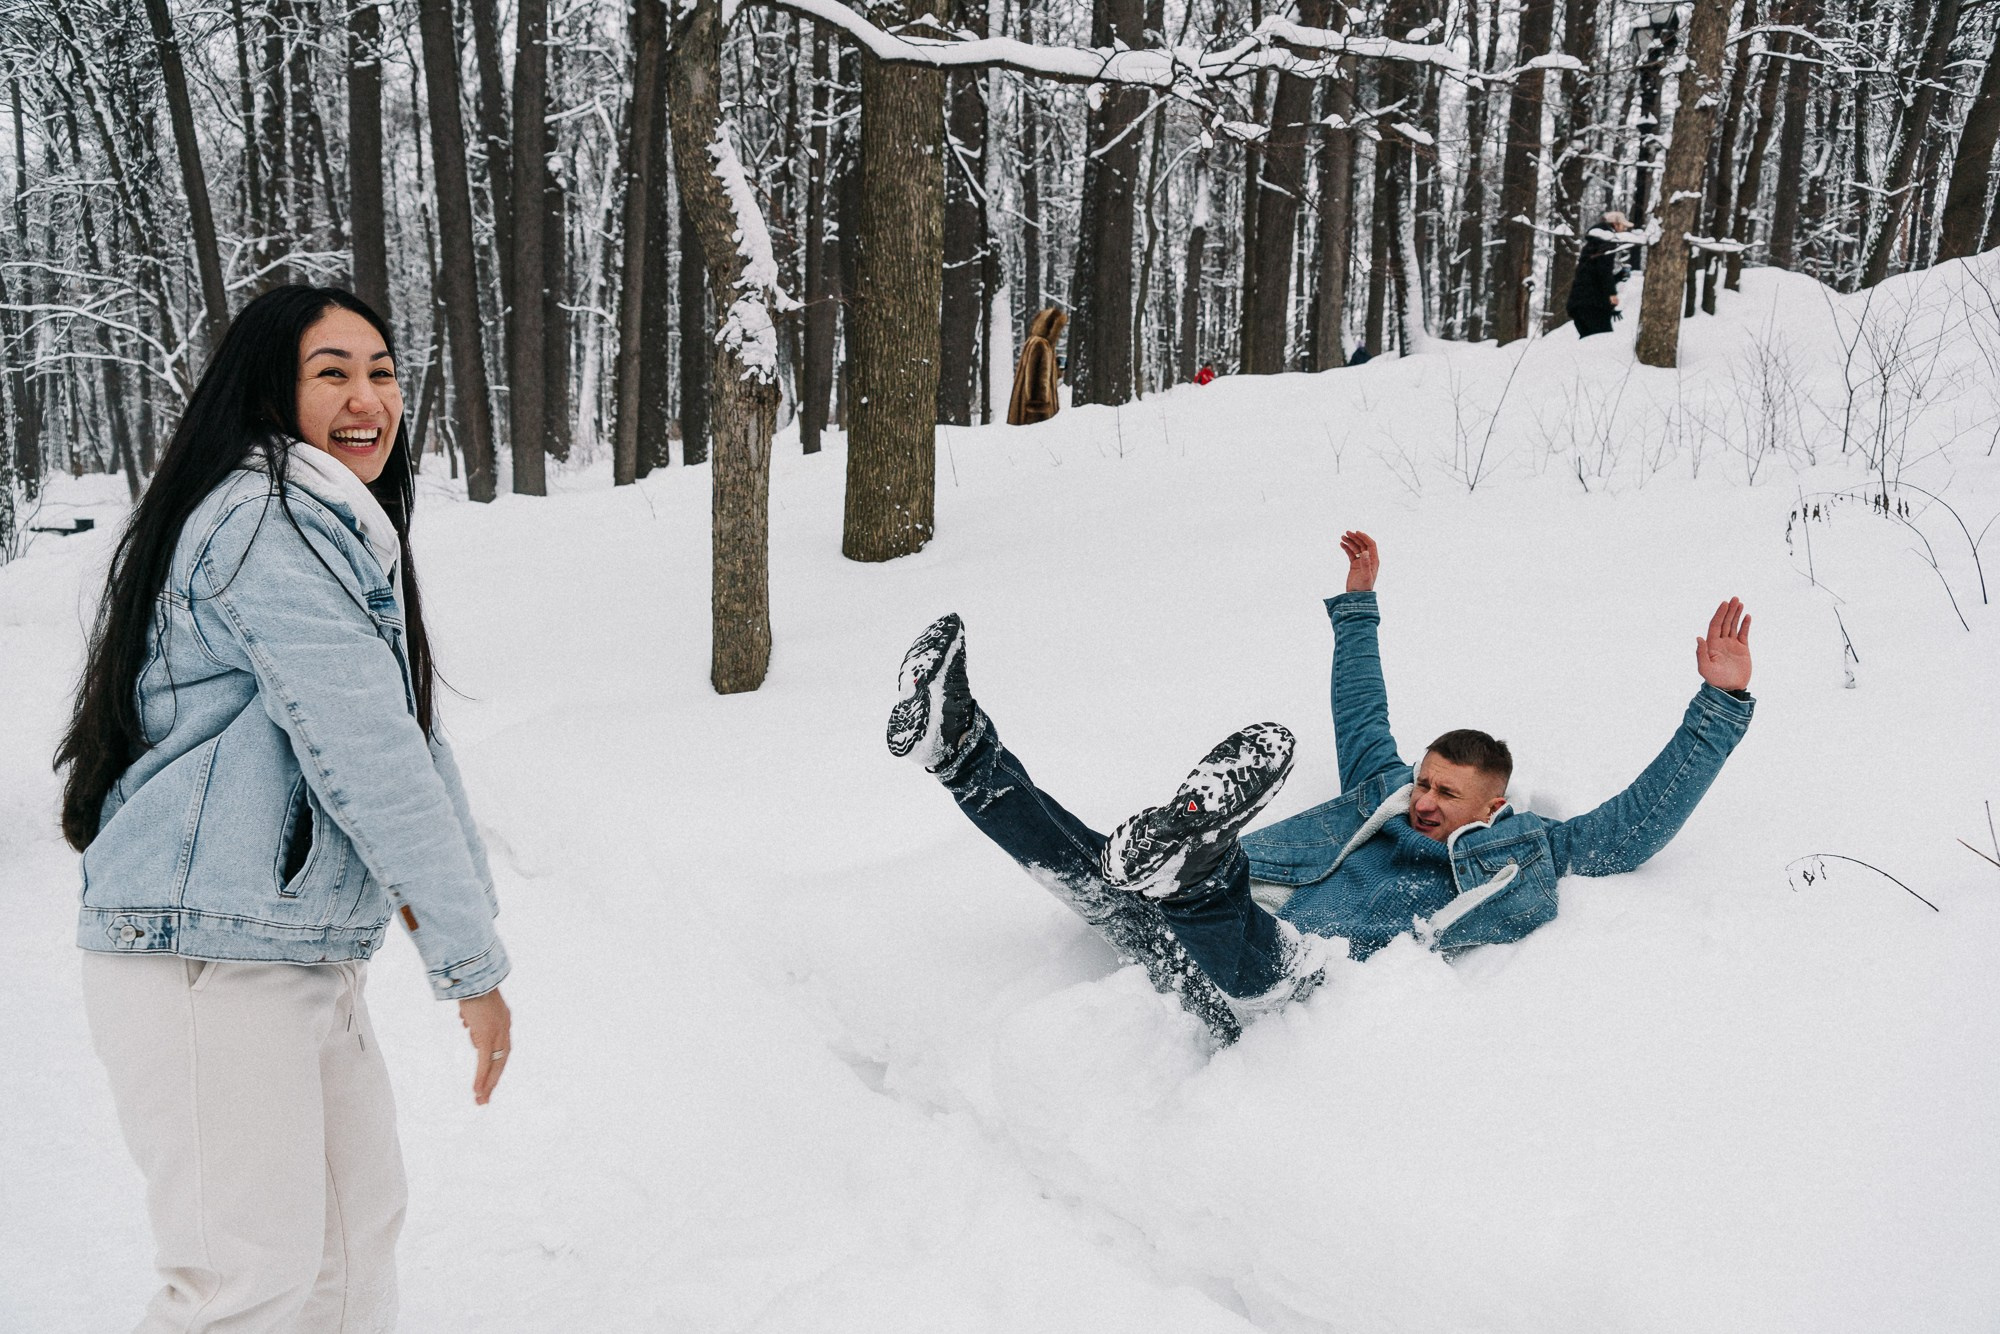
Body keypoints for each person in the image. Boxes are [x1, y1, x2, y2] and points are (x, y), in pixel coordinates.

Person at [57, 285, 513, 1331]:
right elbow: (366, 747)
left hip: (287, 950)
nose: (367, 398)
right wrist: (469, 964)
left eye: (382, 371)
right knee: (244, 1280)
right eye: (332, 372)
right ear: (271, 390)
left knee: (349, 1256)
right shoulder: (265, 520)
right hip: (204, 956)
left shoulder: (321, 521)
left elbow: (406, 741)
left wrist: (467, 926)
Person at [886, 531, 1755, 1034]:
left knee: (1193, 898)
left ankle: (1194, 868)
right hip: (1199, 943)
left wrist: (1718, 704)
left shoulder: (1530, 852)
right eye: (1425, 780)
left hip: (1291, 985)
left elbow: (1640, 823)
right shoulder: (1384, 791)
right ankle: (958, 748)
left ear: (1492, 804)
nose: (1423, 797)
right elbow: (1362, 709)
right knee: (1094, 865)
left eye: (1447, 794)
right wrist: (1359, 605)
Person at [1567, 210, 1636, 338]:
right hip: (1593, 307)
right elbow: (1603, 272)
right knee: (1601, 345)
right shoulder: (1606, 242)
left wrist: (1618, 277)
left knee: (1589, 347)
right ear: (1615, 225)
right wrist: (1612, 295)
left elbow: (1595, 276)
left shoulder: (1591, 244)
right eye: (1623, 226)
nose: (1624, 229)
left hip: (1578, 305)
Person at [1007, 307, 1068, 425]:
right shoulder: (1041, 345)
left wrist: (1057, 368)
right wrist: (1038, 408)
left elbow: (1037, 371)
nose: (1059, 334)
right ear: (1051, 328)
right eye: (1058, 329)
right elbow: (1036, 380)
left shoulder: (1032, 342)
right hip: (1036, 416)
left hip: (1024, 410)